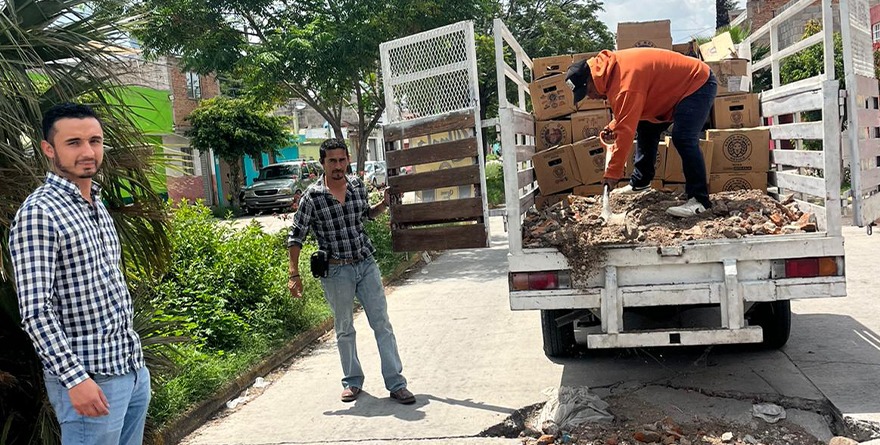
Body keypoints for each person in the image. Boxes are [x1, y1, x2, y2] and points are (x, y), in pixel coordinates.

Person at [8, 103, 151, 444]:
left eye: (95, 141)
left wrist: (138, 370)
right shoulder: (39, 214)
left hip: (130, 370)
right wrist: (75, 379)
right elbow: (36, 312)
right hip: (90, 380)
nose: (88, 152)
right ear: (48, 149)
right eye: (73, 143)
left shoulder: (96, 204)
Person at [286, 138, 415, 405]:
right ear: (322, 163)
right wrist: (293, 274)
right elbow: (296, 236)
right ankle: (352, 382)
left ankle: (396, 383)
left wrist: (384, 204)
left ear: (347, 160)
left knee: (382, 324)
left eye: (342, 160)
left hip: (365, 264)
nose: (338, 166)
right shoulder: (313, 196)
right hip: (336, 272)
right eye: (332, 161)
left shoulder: (356, 186)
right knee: (344, 328)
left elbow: (364, 215)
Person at [565, 48, 718, 217]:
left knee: (683, 138)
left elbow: (626, 131)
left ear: (591, 80)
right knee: (646, 126)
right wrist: (612, 127)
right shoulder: (611, 72)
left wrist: (613, 173)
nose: (591, 97)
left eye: (588, 92)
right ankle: (641, 182)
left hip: (697, 83)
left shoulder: (624, 82)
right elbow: (627, 114)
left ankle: (700, 200)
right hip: (669, 93)